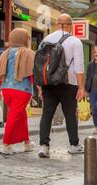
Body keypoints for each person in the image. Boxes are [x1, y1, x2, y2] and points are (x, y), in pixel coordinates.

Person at [37, 13, 86, 158]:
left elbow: (39, 64)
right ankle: (74, 145)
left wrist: (40, 85)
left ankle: (44, 146)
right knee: (70, 115)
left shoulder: (45, 40)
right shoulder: (75, 41)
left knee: (47, 114)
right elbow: (79, 66)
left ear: (57, 24)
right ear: (70, 25)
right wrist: (81, 87)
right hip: (68, 83)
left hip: (49, 83)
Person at [0, 28, 36, 155]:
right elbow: (32, 73)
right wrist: (39, 88)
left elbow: (1, 72)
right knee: (13, 116)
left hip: (6, 89)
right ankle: (6, 144)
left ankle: (27, 142)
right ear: (24, 39)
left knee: (21, 115)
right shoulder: (29, 53)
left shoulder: (5, 53)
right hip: (22, 90)